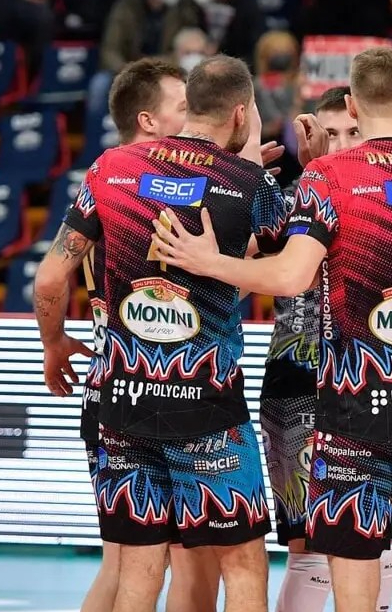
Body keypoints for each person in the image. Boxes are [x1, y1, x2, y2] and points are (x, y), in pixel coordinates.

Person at [149, 47, 392, 612]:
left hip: (356, 406)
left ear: (353, 104)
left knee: (352, 582)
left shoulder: (329, 175)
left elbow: (290, 276)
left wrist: (210, 262)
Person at [34, 54, 286, 612]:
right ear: (240, 113)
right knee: (242, 563)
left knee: (137, 566)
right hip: (206, 407)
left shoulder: (110, 166)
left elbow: (50, 277)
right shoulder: (249, 183)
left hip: (121, 401)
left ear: (190, 105)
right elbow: (292, 272)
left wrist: (54, 344)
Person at [261, 85, 392, 612]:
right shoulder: (287, 197)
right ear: (310, 135)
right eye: (331, 133)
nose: (341, 144)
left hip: (371, 382)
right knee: (309, 546)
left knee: (375, 538)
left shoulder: (391, 197)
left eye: (353, 132)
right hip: (297, 381)